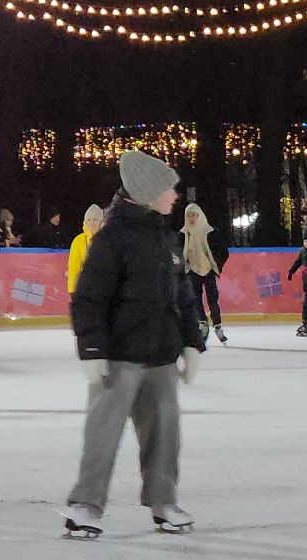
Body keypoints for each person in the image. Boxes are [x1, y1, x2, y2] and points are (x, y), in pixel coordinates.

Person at [65, 150, 203, 538]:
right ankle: (85, 506)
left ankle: (163, 502)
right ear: (147, 192)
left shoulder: (165, 236)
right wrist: (91, 349)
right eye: (169, 189)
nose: (175, 196)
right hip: (119, 355)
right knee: (103, 433)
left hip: (161, 354)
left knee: (165, 433)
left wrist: (192, 342)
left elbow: (183, 294)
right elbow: (89, 296)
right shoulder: (113, 238)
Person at [182, 204, 230, 345]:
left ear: (199, 216)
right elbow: (179, 253)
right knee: (195, 299)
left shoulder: (210, 232)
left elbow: (224, 252)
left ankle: (218, 326)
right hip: (192, 271)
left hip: (208, 270)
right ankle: (203, 323)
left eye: (194, 215)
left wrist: (217, 265)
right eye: (189, 215)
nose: (191, 218)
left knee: (212, 300)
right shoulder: (183, 234)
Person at [66, 204, 105, 295]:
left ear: (101, 222)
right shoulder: (78, 241)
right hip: (85, 290)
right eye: (89, 220)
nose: (92, 223)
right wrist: (72, 290)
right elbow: (73, 268)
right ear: (85, 222)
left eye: (95, 220)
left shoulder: (110, 240)